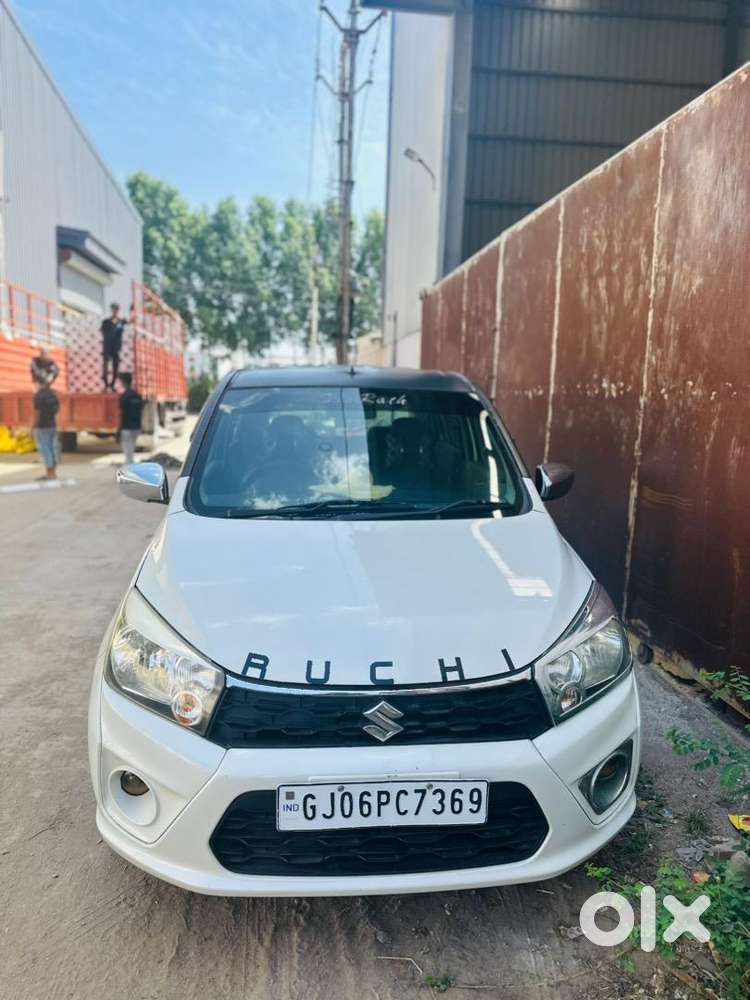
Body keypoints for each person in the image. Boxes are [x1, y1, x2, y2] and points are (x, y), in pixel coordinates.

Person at [33, 382, 60, 480]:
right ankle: (53, 473)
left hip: (42, 426)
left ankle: (50, 473)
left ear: (40, 384)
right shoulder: (53, 395)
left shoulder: (39, 396)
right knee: (52, 449)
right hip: (52, 425)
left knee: (45, 449)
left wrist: (34, 426)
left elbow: (37, 412)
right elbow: (57, 410)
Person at [118, 372, 143, 465]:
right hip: (136, 426)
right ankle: (130, 462)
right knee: (132, 445)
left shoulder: (124, 396)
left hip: (126, 427)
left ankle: (129, 464)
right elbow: (141, 411)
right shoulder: (137, 395)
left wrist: (118, 428)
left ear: (123, 382)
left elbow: (121, 413)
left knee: (126, 446)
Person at [101, 302, 126, 390]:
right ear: (111, 310)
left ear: (118, 311)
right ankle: (106, 384)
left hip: (116, 347)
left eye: (116, 309)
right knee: (105, 366)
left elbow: (129, 323)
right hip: (107, 346)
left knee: (115, 366)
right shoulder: (106, 322)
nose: (114, 311)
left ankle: (112, 385)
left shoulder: (121, 322)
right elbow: (102, 331)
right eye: (113, 309)